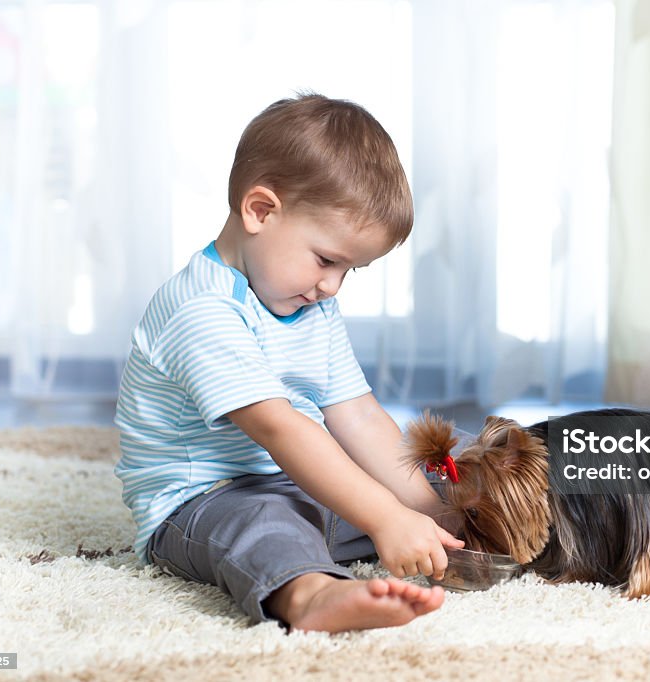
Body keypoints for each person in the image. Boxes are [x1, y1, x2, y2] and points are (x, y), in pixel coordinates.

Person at [114, 93, 463, 633]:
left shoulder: (310, 302)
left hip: (300, 484)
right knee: (267, 527)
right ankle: (310, 596)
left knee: (424, 487)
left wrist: (426, 511)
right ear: (260, 211)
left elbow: (360, 416)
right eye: (327, 260)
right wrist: (384, 516)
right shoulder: (201, 308)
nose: (332, 286)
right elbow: (280, 428)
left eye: (351, 271)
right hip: (204, 503)